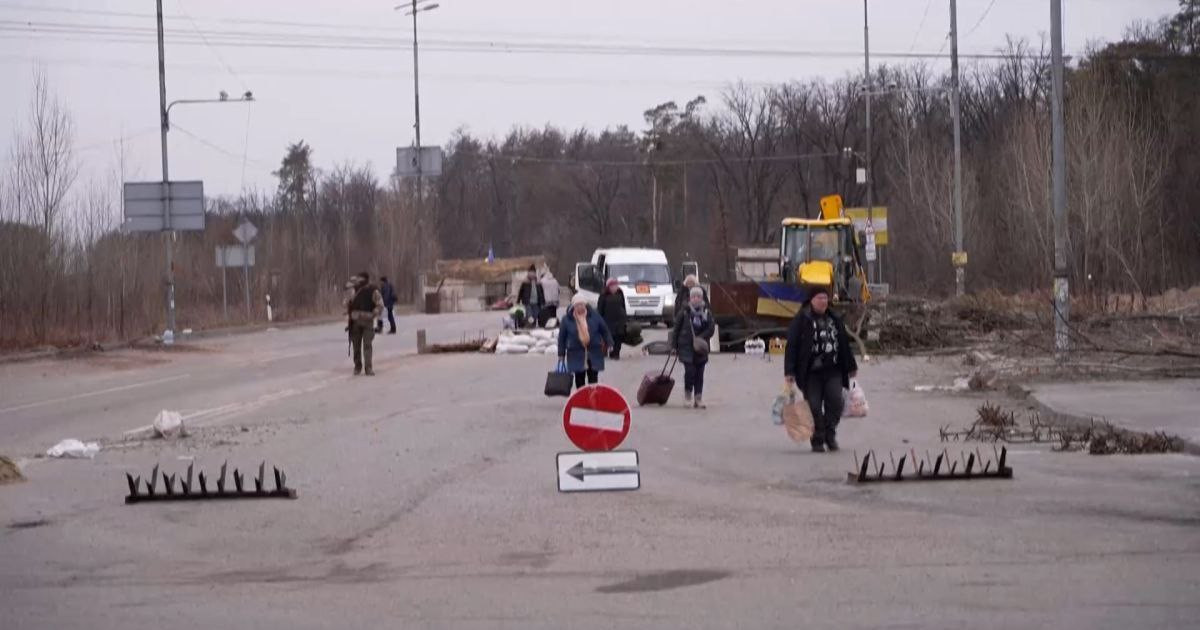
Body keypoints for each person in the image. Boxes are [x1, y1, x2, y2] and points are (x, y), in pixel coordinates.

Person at [784, 285, 858, 452]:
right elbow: (792, 346)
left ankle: (830, 434)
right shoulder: (802, 319)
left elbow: (844, 344)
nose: (823, 301)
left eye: (825, 298)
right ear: (811, 300)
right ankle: (817, 438)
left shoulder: (834, 318)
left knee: (836, 403)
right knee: (814, 407)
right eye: (820, 298)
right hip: (811, 373)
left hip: (833, 370)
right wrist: (789, 371)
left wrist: (851, 366)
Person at [670, 286, 716, 408]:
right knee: (690, 372)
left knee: (700, 374)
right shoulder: (684, 312)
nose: (696, 298)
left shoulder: (706, 312)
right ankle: (688, 396)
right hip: (686, 347)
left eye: (698, 296)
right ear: (690, 298)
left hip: (701, 348)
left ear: (702, 298)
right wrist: (674, 346)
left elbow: (711, 328)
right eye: (694, 296)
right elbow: (676, 329)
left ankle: (698, 398)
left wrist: (700, 337)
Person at [557, 294, 614, 390]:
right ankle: (581, 396)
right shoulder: (567, 320)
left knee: (593, 379)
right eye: (577, 305)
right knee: (579, 379)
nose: (580, 307)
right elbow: (561, 338)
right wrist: (561, 354)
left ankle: (593, 397)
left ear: (585, 305)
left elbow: (604, 330)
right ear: (573, 306)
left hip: (594, 351)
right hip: (575, 352)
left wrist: (609, 343)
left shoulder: (595, 316)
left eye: (581, 304)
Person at [344, 271, 383, 376]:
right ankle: (357, 366)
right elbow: (346, 303)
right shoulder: (353, 290)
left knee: (367, 345)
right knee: (356, 346)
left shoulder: (373, 290)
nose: (358, 281)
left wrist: (374, 313)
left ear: (365, 279)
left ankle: (368, 367)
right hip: (355, 321)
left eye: (360, 279)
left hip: (367, 321)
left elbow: (380, 305)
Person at [597, 278, 627, 360]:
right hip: (608, 320)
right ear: (609, 286)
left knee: (619, 336)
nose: (615, 287)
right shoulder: (603, 295)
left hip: (620, 319)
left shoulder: (620, 293)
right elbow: (600, 309)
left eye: (616, 285)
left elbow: (623, 306)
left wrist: (625, 317)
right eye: (613, 285)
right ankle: (609, 351)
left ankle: (616, 353)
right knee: (610, 336)